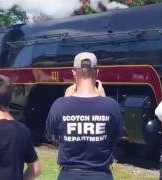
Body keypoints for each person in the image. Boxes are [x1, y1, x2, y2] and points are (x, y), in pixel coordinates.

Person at [46, 52, 124, 180]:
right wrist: (103, 99)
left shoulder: (60, 105)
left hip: (69, 175)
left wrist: (66, 101)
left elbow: (51, 134)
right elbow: (117, 134)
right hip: (100, 174)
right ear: (97, 72)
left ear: (74, 72)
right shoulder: (111, 105)